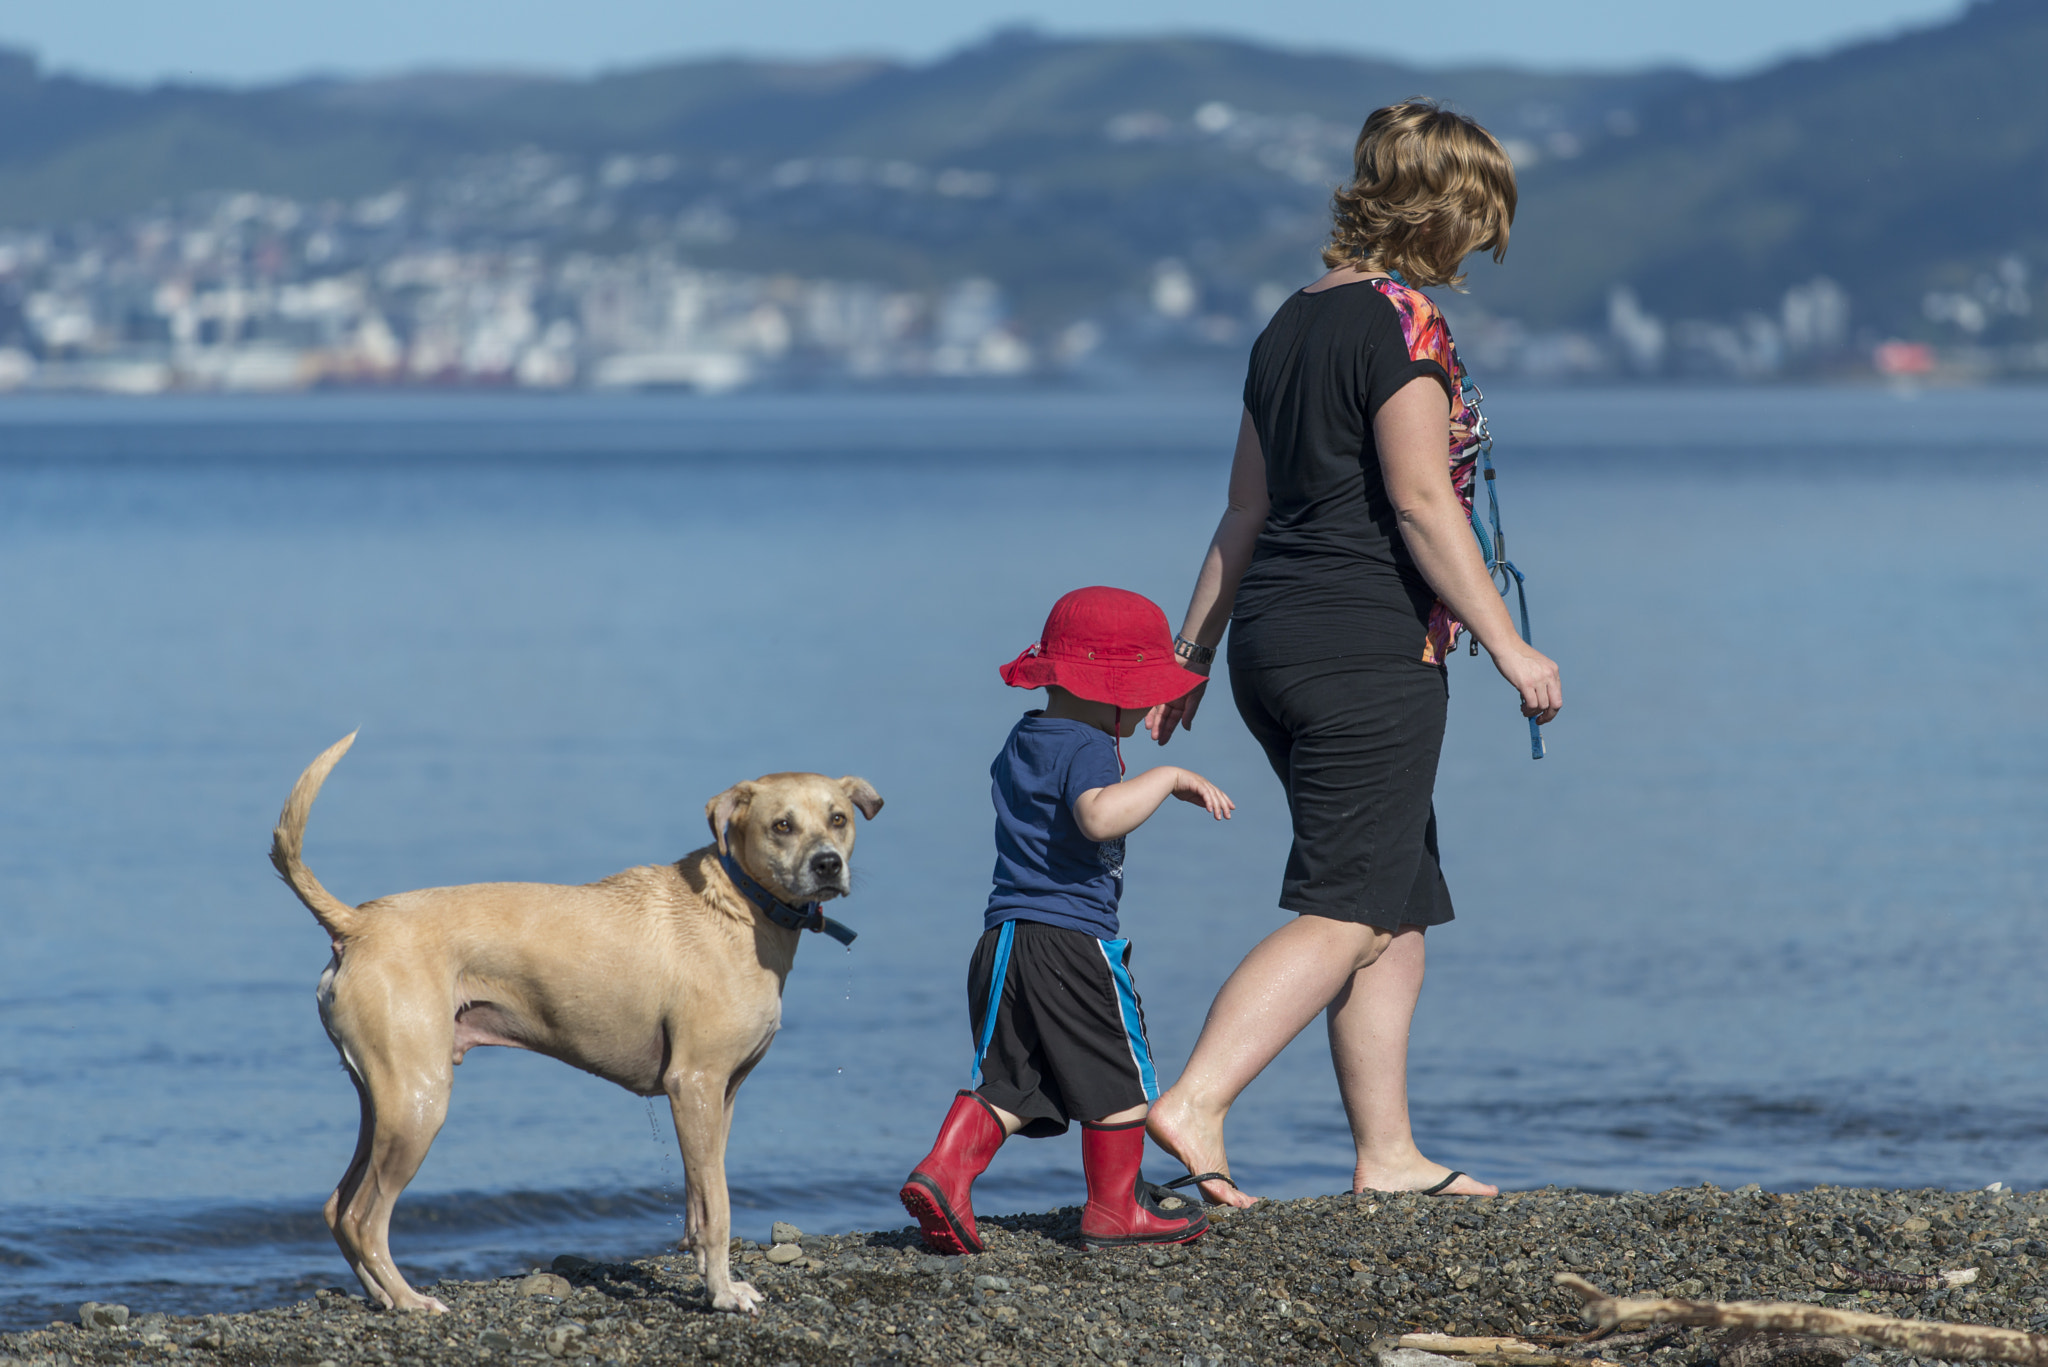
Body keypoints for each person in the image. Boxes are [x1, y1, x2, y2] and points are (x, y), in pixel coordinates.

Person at [1139, 100, 1563, 1210]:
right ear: (1446, 210)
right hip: (1360, 645)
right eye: (1479, 219)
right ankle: (1194, 1098)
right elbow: (1424, 506)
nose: (1479, 244)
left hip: (1271, 646)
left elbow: (1241, 510)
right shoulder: (1402, 323)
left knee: (1396, 897)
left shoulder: (1289, 319)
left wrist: (1189, 655)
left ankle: (1389, 1155)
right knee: (1344, 906)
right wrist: (1509, 642)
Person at [899, 585, 1236, 1252]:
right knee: (1121, 1071)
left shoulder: (1026, 736)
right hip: (1069, 941)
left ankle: (945, 1172)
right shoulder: (1087, 744)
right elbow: (1096, 815)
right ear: (1108, 687)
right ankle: (1115, 1208)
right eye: (1141, 688)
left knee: (1017, 1080)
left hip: (1003, 941)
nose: (1147, 703)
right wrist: (1166, 777)